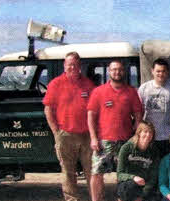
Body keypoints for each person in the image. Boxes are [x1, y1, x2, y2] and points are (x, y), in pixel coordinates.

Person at [87, 60, 143, 201]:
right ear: (109, 71)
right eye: (113, 69)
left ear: (123, 71)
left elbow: (137, 114)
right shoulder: (98, 92)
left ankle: (122, 198)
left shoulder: (131, 92)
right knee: (97, 173)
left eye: (119, 69)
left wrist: (136, 132)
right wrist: (93, 138)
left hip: (125, 141)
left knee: (124, 174)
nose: (117, 72)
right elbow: (91, 116)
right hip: (104, 141)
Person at [43, 51, 96, 201]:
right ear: (64, 66)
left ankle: (96, 198)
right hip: (65, 135)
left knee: (91, 170)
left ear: (80, 66)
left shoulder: (88, 84)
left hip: (87, 135)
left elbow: (95, 109)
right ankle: (72, 199)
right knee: (68, 172)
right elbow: (48, 109)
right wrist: (56, 132)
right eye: (69, 64)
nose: (72, 67)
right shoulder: (55, 84)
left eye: (75, 64)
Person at [139, 58, 170, 156]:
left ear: (167, 72)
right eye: (158, 71)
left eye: (163, 71)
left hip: (168, 136)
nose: (161, 74)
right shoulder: (144, 88)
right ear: (152, 71)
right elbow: (138, 112)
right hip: (149, 136)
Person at [117, 121, 161, 201]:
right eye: (145, 131)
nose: (148, 135)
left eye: (150, 132)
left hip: (145, 185)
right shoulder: (126, 148)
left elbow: (153, 176)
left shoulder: (154, 151)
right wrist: (133, 177)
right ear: (139, 133)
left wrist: (143, 194)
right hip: (129, 184)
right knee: (129, 187)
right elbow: (119, 174)